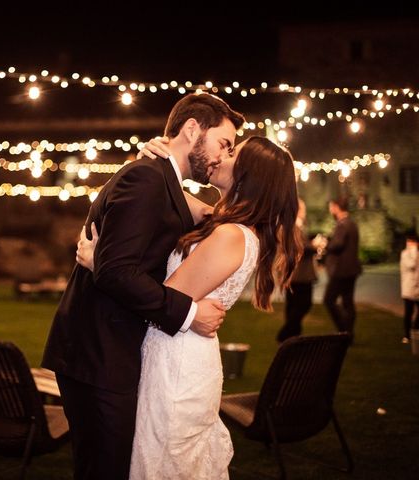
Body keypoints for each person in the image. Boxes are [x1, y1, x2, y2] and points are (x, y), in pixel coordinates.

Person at [41, 93, 245, 480]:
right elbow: (117, 272)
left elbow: (196, 218)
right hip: (98, 356)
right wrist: (189, 314)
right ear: (191, 130)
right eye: (223, 143)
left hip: (108, 352)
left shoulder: (158, 177)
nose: (223, 155)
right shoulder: (146, 178)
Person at [77, 135, 301, 479]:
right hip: (173, 352)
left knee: (165, 460)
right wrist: (151, 163)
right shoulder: (223, 223)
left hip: (177, 366)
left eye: (232, 153)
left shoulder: (231, 235)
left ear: (249, 174)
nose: (220, 156)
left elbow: (166, 296)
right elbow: (164, 191)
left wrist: (100, 266)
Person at [314, 197, 362, 341]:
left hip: (341, 271)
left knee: (329, 300)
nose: (330, 210)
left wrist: (324, 245)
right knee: (348, 302)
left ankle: (344, 330)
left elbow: (337, 245)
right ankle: (349, 333)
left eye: (331, 207)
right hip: (352, 269)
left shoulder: (342, 225)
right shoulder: (352, 224)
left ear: (336, 207)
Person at [276, 198, 317, 342]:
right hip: (299, 274)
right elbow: (299, 248)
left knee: (293, 305)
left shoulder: (289, 226)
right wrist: (315, 245)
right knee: (303, 304)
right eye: (303, 209)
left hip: (293, 274)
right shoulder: (293, 226)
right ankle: (285, 334)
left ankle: (294, 336)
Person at [399, 232, 419, 343]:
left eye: (413, 242)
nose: (411, 244)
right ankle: (407, 335)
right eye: (409, 242)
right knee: (408, 312)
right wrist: (414, 251)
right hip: (408, 288)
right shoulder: (405, 254)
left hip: (417, 287)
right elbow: (411, 265)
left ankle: (415, 329)